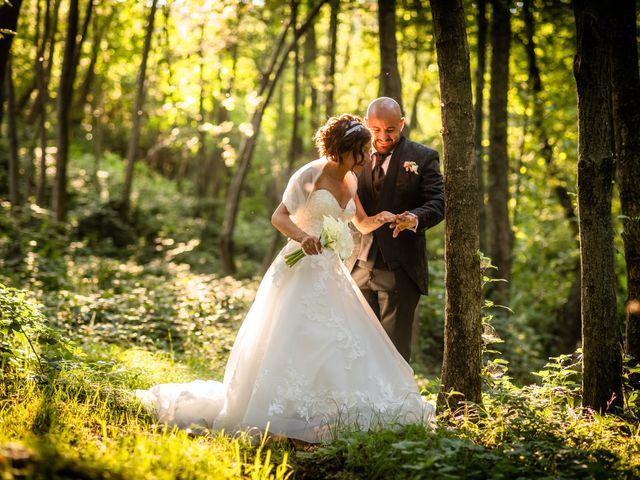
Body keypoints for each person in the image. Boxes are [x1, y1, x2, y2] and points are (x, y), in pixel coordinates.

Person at [136, 114, 435, 444]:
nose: (367, 157)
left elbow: (359, 224)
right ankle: (281, 412)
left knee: (336, 341)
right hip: (299, 269)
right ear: (345, 150)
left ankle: (322, 413)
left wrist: (382, 218)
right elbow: (279, 217)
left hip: (331, 273)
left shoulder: (351, 180)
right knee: (299, 334)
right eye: (362, 151)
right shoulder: (310, 174)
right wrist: (303, 237)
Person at [347, 97, 445, 362]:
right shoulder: (354, 155)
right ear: (366, 124)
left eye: (390, 129)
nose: (383, 136)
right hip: (356, 264)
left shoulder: (423, 157)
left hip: (400, 268)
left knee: (394, 352)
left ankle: (395, 403)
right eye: (376, 130)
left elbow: (438, 202)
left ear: (401, 123)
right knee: (357, 346)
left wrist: (413, 217)